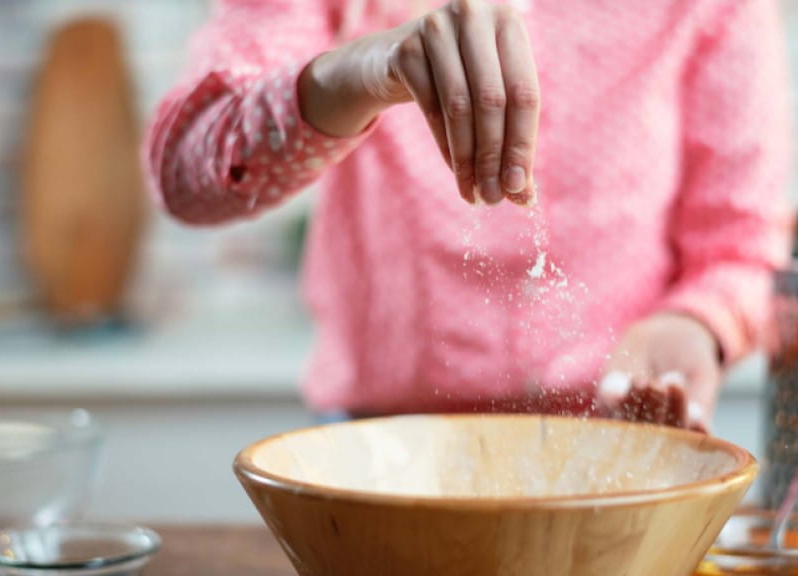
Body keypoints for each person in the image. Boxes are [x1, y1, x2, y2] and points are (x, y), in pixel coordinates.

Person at [144, 0, 792, 431]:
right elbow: (188, 175)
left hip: (614, 455)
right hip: (381, 455)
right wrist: (359, 73)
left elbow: (738, 245)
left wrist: (695, 324)